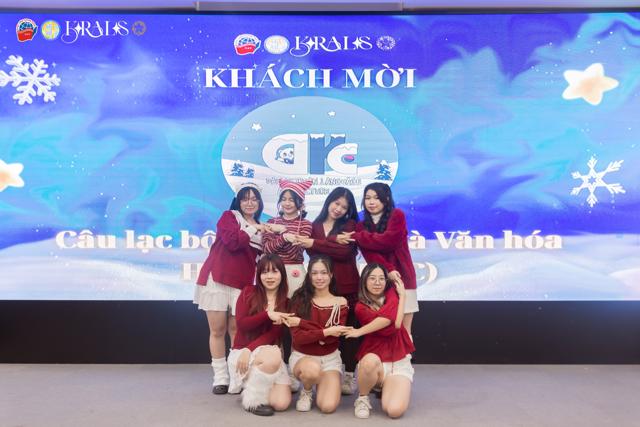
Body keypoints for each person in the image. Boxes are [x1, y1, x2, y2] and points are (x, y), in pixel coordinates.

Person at [194, 183, 265, 395]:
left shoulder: (263, 227)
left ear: (259, 202)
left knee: (237, 331)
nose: (250, 203)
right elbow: (233, 242)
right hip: (217, 279)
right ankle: (220, 377)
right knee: (217, 330)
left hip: (243, 284)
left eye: (254, 198)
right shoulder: (229, 217)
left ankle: (236, 375)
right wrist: (252, 229)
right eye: (245, 198)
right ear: (238, 201)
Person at [295, 187, 360, 395]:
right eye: (336, 203)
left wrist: (317, 243)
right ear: (328, 201)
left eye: (344, 207)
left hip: (347, 288)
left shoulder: (350, 225)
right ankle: (320, 371)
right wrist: (328, 242)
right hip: (321, 289)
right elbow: (313, 254)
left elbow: (344, 251)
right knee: (321, 331)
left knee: (347, 333)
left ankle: (348, 375)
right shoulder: (314, 225)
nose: (339, 209)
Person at [338, 182, 419, 336]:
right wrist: (388, 270)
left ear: (386, 199)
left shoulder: (397, 215)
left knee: (404, 329)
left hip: (403, 275)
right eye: (367, 198)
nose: (371, 202)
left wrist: (359, 237)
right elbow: (370, 255)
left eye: (376, 198)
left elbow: (389, 241)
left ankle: (405, 353)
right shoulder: (361, 226)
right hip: (379, 280)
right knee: (383, 327)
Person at [345, 263, 415, 419]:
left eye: (381, 279)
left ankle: (386, 387)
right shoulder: (360, 307)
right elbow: (389, 325)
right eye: (372, 278)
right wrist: (398, 304)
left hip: (397, 363)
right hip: (375, 358)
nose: (377, 283)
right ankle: (363, 398)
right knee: (369, 362)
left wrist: (403, 296)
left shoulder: (392, 293)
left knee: (394, 411)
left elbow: (396, 324)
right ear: (364, 281)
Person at [227, 254, 293, 416]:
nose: (269, 276)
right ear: (259, 274)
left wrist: (250, 349)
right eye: (265, 272)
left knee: (281, 404)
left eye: (274, 271)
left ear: (282, 274)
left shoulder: (286, 302)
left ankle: (253, 382)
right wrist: (267, 315)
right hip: (243, 353)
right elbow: (242, 324)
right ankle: (252, 400)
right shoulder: (248, 292)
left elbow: (273, 335)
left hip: (268, 356)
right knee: (274, 353)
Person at [283, 256, 350, 413]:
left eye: (324, 273)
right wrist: (326, 331)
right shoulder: (299, 299)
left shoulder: (340, 302)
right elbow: (299, 338)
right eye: (314, 273)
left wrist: (301, 323)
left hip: (330, 359)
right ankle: (306, 391)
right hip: (303, 357)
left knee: (327, 407)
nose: (319, 277)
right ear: (309, 275)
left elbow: (332, 339)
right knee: (311, 370)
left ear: (331, 275)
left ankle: (321, 384)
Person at [262, 179, 313, 297]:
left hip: (294, 271)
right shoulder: (271, 222)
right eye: (284, 199)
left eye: (292, 200)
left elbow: (294, 253)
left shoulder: (306, 224)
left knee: (296, 305)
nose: (287, 203)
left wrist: (283, 231)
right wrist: (285, 237)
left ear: (300, 202)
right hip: (272, 271)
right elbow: (267, 249)